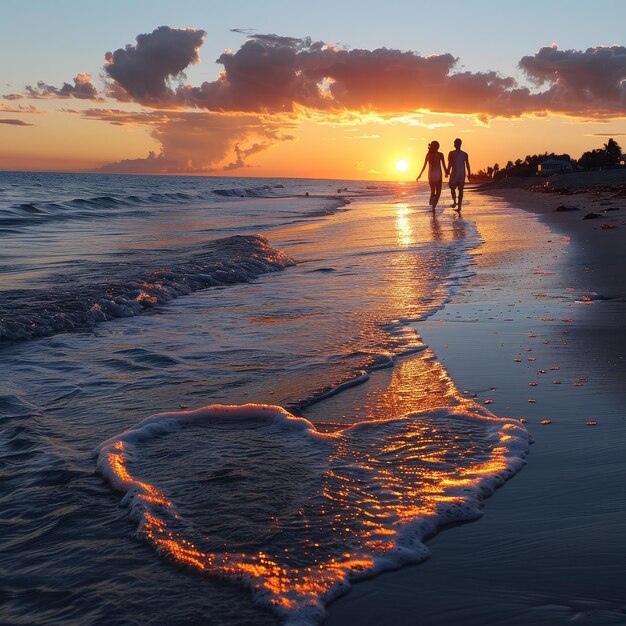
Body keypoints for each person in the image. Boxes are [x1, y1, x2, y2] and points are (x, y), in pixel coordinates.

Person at [416, 141, 448, 210]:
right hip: (438, 175)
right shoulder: (440, 154)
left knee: (433, 191)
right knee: (438, 192)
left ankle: (432, 203)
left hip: (430, 176)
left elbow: (424, 166)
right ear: (437, 147)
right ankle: (433, 206)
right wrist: (446, 172)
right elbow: (444, 165)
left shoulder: (428, 155)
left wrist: (420, 175)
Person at [447, 138, 471, 211]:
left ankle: (455, 203)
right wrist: (469, 174)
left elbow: (450, 164)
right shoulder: (464, 154)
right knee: (460, 190)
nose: (454, 144)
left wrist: (447, 171)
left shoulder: (452, 153)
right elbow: (467, 165)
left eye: (455, 143)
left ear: (456, 144)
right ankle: (458, 206)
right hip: (461, 174)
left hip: (455, 174)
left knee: (453, 189)